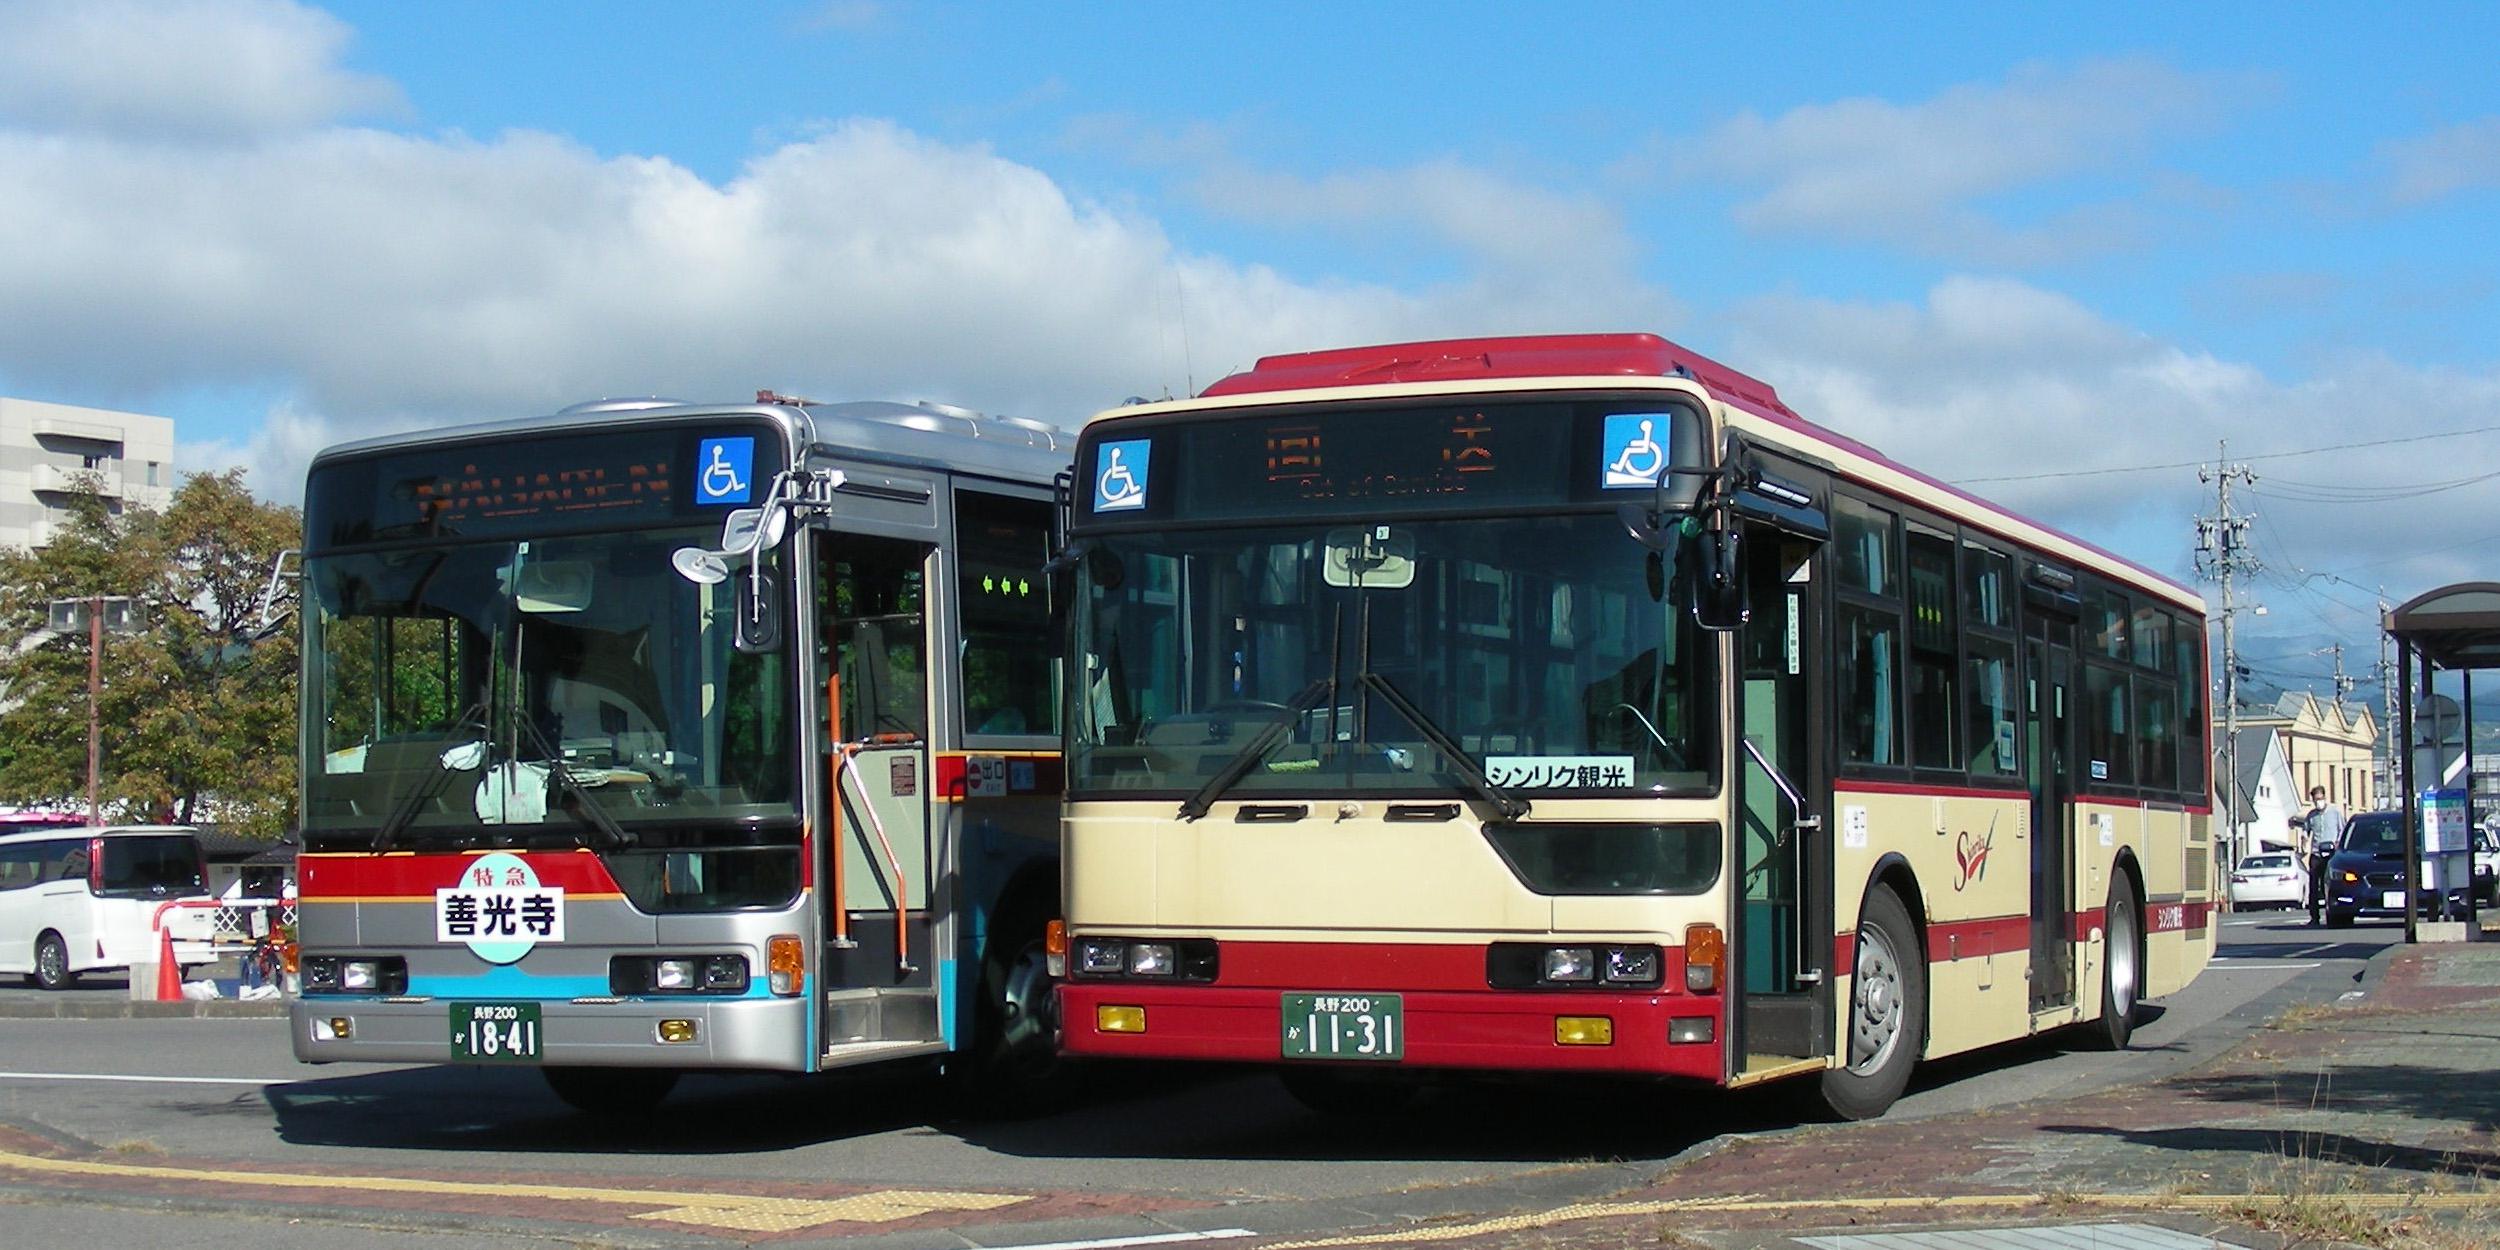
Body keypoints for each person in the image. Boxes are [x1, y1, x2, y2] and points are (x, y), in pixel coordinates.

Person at [2303, 785, 2346, 924]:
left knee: (2330, 884)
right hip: (2316, 853)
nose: (2318, 802)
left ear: (2325, 797)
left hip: (2331, 854)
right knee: (2314, 886)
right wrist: (2304, 841)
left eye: (2320, 799)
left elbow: (2342, 829)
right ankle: (2314, 917)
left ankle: (2332, 913)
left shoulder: (2335, 812)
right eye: (2316, 800)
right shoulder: (2311, 815)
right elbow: (2306, 831)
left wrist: (2338, 843)